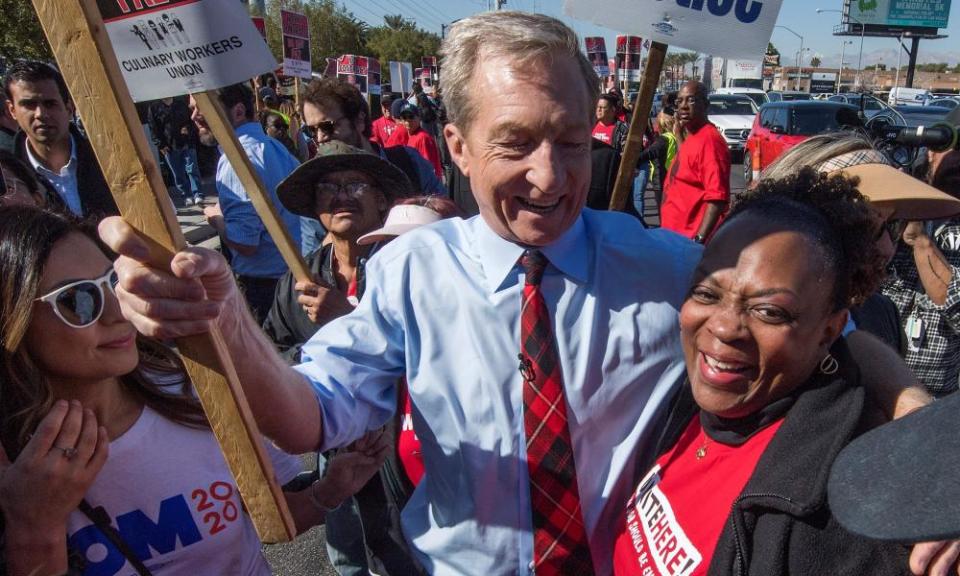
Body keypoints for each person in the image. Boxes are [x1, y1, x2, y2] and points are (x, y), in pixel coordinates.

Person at [98, 12, 932, 575]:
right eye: (517, 143)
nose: (550, 175)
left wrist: (929, 451)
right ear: (455, 145)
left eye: (572, 141)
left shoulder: (671, 268)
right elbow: (306, 416)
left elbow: (826, 332)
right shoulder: (409, 274)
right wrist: (224, 323)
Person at [0, 206, 389, 576]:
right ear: (11, 322)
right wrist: (35, 530)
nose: (117, 312)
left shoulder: (197, 392)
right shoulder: (15, 474)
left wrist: (329, 491)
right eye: (78, 300)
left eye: (112, 283)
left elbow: (264, 524)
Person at [613, 168, 910, 575]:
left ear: (829, 331)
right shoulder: (696, 400)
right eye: (706, 293)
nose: (723, 327)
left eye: (769, 311)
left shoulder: (838, 517)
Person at [194, 83, 302, 323]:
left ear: (238, 111)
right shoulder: (274, 148)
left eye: (201, 108)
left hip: (263, 291)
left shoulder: (238, 159)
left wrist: (216, 219)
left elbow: (245, 242)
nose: (194, 116)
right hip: (289, 279)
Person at [4, 60, 118, 219]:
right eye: (29, 104)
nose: (40, 114)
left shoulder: (111, 158)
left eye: (50, 104)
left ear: (69, 108)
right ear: (12, 110)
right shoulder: (9, 179)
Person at [298, 78, 445, 196]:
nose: (320, 137)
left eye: (327, 126)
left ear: (359, 120)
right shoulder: (317, 187)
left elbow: (445, 220)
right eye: (311, 130)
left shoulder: (409, 163)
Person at [660, 81, 729, 243]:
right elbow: (688, 163)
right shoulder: (692, 136)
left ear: (705, 104)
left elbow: (717, 198)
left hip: (688, 243)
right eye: (680, 101)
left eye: (691, 100)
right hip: (672, 236)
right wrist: (678, 135)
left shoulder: (711, 142)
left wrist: (698, 240)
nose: (683, 106)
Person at [148, 96, 203, 207]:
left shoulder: (181, 103)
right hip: (169, 146)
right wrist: (161, 145)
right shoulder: (154, 108)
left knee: (192, 169)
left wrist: (188, 129)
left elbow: (191, 120)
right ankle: (186, 195)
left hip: (187, 142)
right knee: (178, 173)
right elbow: (153, 127)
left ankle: (197, 194)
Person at [396, 103, 443, 179]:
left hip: (428, 186)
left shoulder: (423, 138)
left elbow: (428, 167)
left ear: (419, 118)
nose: (407, 120)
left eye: (411, 117)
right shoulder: (411, 136)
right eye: (404, 117)